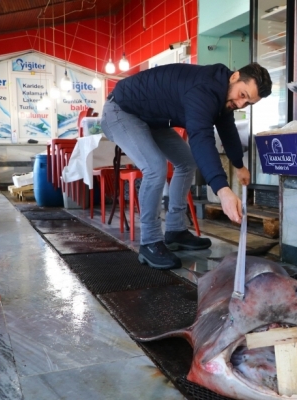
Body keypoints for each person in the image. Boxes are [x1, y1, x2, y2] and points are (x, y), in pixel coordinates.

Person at [100, 62, 272, 270]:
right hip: (121, 110)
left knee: (186, 162)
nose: (241, 103)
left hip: (151, 120)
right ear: (235, 77)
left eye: (248, 103)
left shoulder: (222, 95)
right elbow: (201, 138)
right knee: (155, 168)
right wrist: (222, 190)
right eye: (242, 95)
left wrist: (238, 165)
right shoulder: (204, 89)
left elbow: (227, 129)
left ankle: (175, 230)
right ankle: (150, 242)